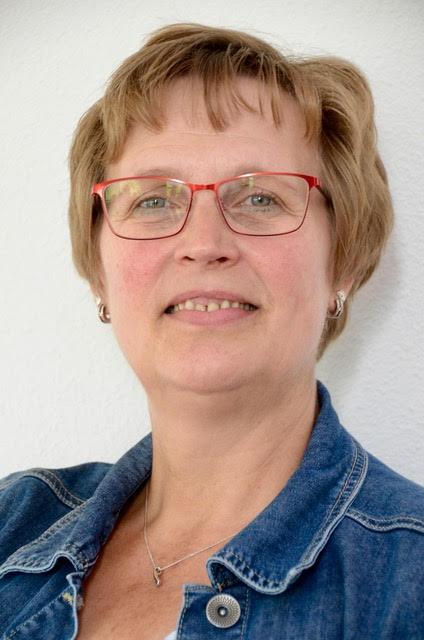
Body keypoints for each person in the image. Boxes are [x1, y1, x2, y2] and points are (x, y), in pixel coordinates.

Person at [0, 22, 423, 640]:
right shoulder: (13, 522)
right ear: (99, 274)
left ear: (344, 261)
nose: (203, 243)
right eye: (152, 200)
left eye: (260, 198)